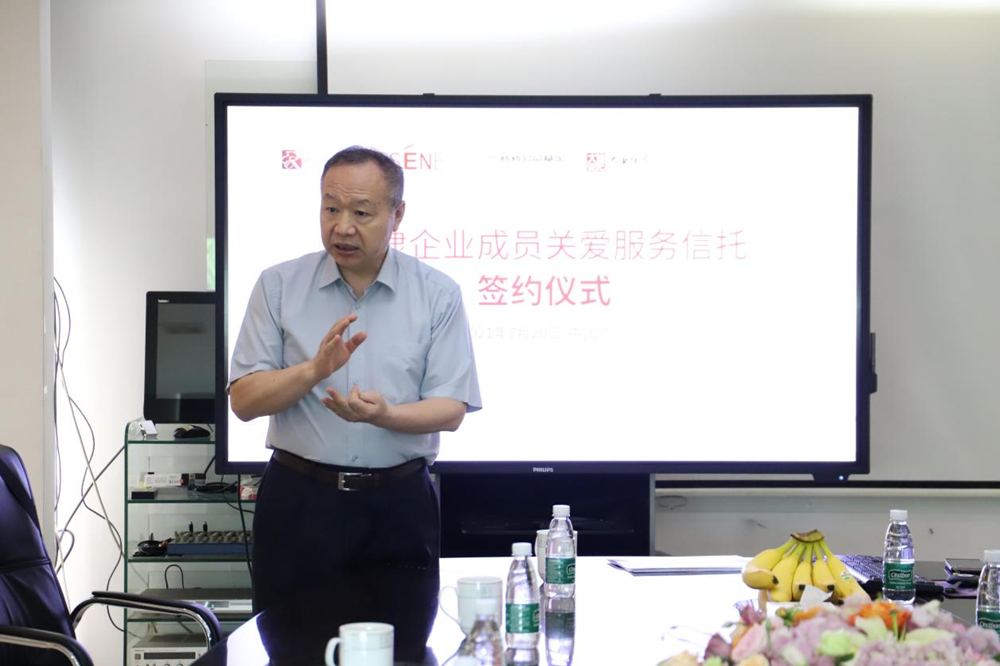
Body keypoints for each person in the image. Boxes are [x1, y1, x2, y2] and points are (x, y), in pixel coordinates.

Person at [228, 146, 481, 612]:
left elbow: (450, 409)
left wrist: (385, 415)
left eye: (361, 212)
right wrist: (314, 370)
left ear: (397, 214)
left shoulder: (437, 294)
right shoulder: (278, 285)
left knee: (405, 642)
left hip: (399, 504)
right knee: (289, 642)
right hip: (300, 500)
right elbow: (244, 401)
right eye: (331, 208)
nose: (342, 226)